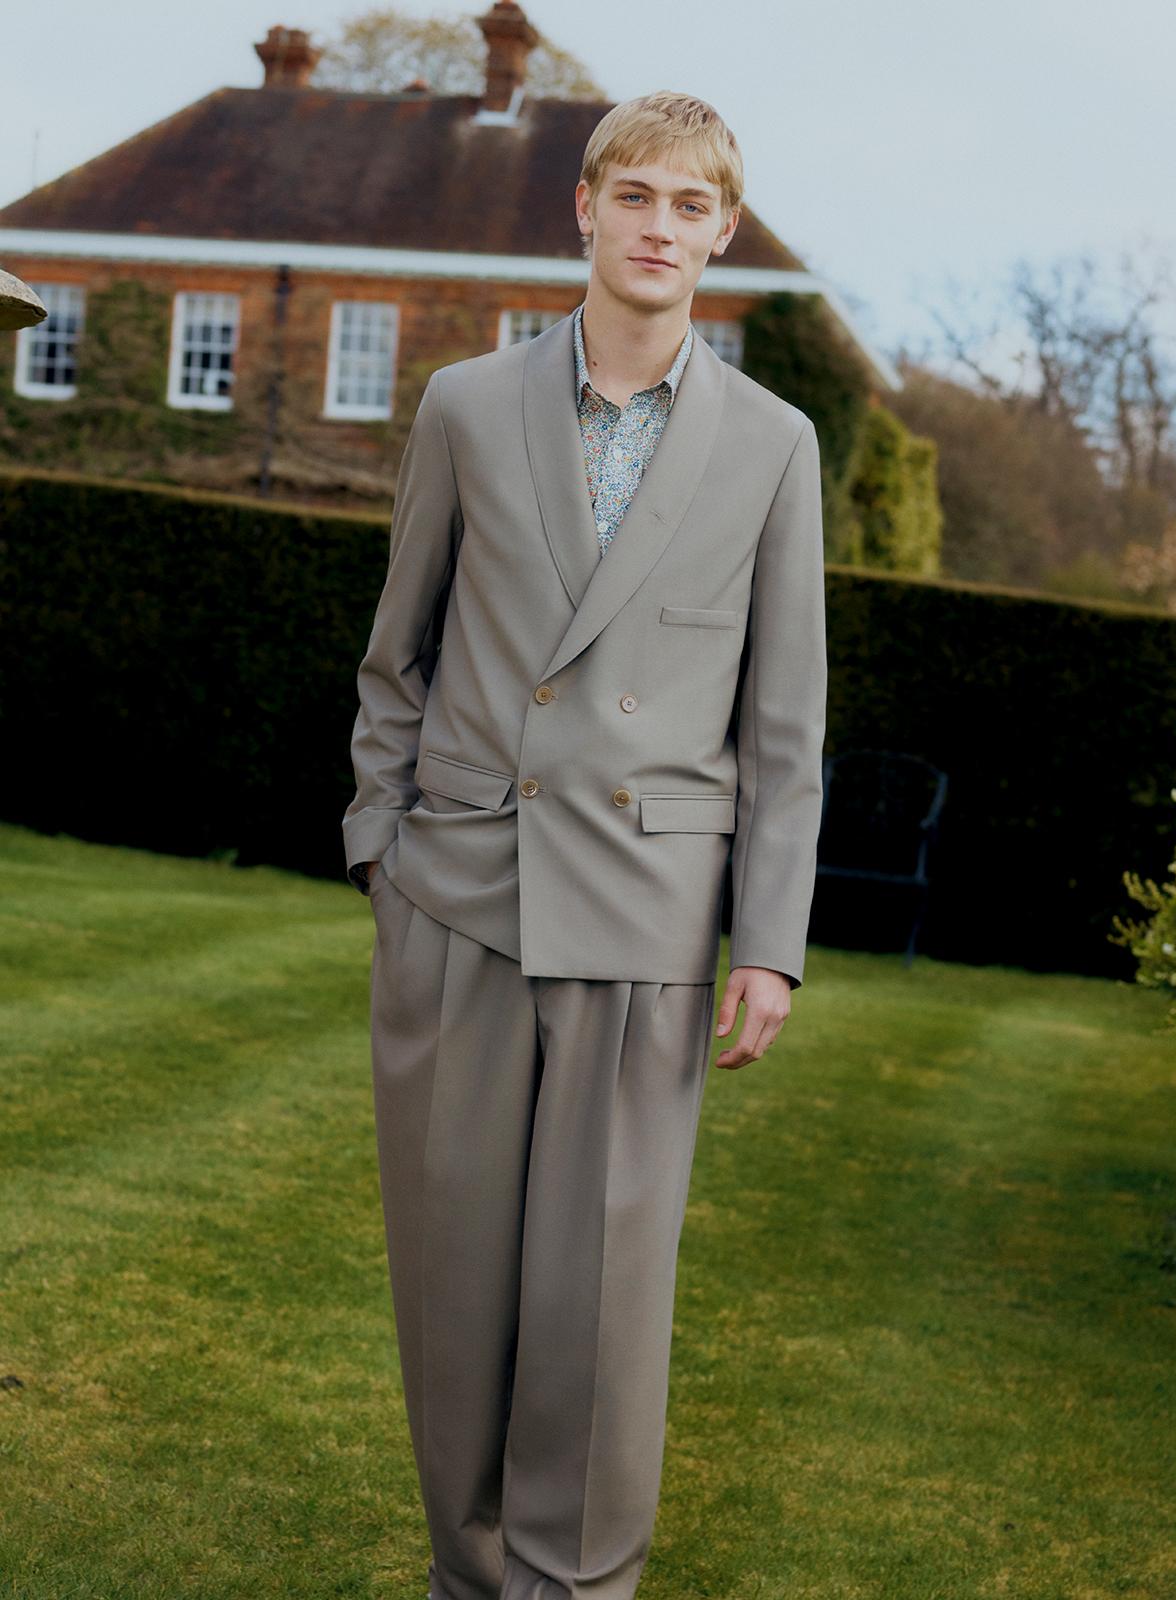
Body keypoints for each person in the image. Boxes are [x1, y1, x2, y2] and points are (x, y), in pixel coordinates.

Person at [342, 88, 827, 1600]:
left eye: (693, 207)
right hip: (464, 901)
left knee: (602, 1310)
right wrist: (385, 848)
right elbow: (395, 658)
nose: (661, 228)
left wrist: (771, 945)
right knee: (456, 1291)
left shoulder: (775, 445)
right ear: (586, 207)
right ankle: (469, 1578)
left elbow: (786, 725)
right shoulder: (466, 407)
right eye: (638, 197)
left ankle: (577, 1589)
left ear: (722, 234)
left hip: (653, 923)